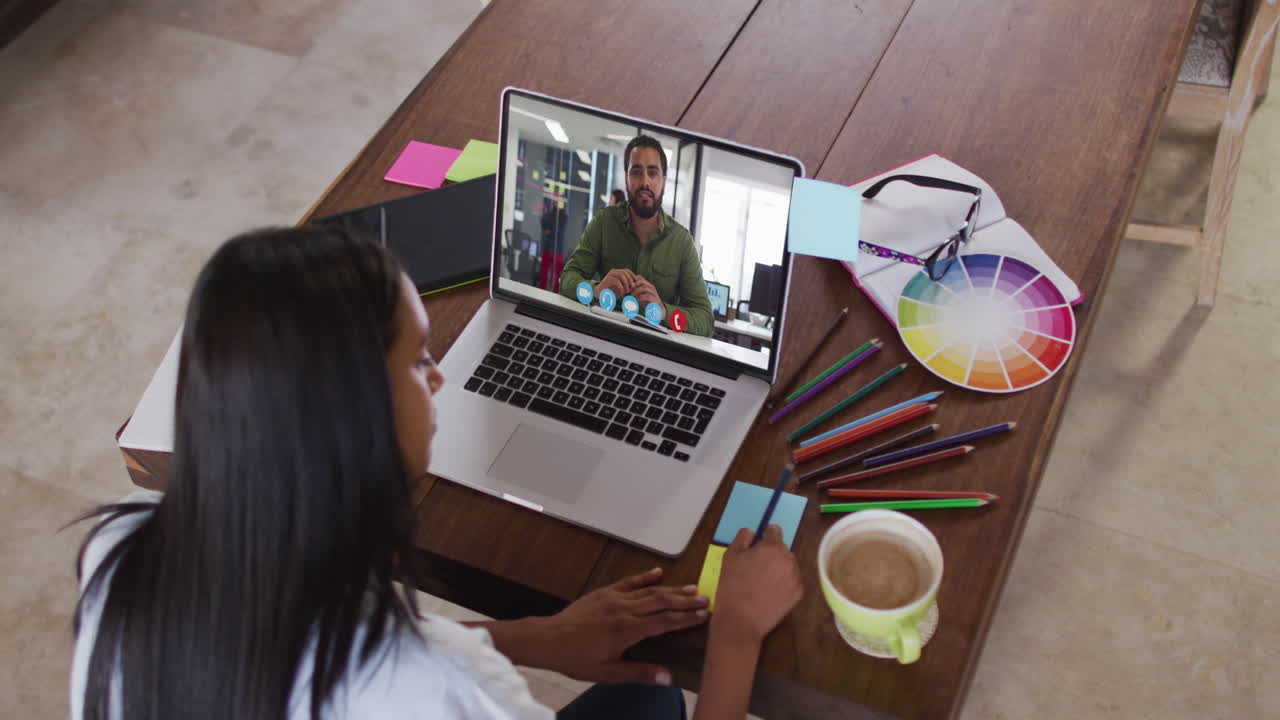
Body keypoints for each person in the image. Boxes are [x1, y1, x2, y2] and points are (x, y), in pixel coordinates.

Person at [71, 226, 802, 720]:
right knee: (661, 697)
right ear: (358, 420)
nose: (441, 379)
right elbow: (411, 675)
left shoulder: (123, 553)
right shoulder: (442, 695)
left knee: (645, 699)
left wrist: (534, 638)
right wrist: (735, 634)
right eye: (420, 360)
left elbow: (322, 645)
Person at [559, 136, 715, 336]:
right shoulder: (604, 223)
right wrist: (596, 290)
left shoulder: (681, 242)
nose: (644, 182)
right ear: (626, 179)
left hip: (656, 351)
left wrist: (662, 311)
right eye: (636, 172)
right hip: (603, 336)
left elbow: (704, 321)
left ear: (664, 182)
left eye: (653, 172)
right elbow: (567, 281)